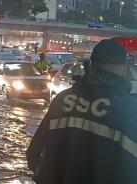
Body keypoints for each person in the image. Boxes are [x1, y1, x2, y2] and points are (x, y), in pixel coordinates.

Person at [27, 39, 137, 184]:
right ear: (124, 71)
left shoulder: (62, 100)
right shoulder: (130, 110)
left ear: (90, 66)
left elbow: (33, 154)